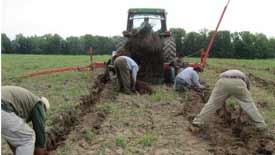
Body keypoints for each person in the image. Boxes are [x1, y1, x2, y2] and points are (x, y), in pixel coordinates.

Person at [192, 70, 267, 130]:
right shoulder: (244, 78)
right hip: (238, 82)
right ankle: (261, 125)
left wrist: (222, 104)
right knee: (249, 105)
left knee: (212, 104)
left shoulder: (224, 74)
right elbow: (247, 91)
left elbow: (221, 98)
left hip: (222, 81)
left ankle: (197, 122)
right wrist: (242, 108)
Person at [1, 86, 50, 155]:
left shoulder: (23, 102)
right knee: (28, 138)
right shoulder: (38, 104)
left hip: (3, 106)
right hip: (2, 107)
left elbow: (13, 138)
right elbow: (40, 136)